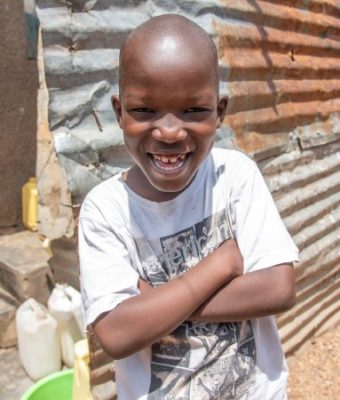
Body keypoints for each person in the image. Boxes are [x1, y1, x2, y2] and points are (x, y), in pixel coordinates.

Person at [78, 14, 299, 400]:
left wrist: (155, 303)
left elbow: (277, 288)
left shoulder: (234, 177)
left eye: (193, 110)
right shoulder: (105, 208)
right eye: (144, 111)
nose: (168, 132)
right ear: (119, 113)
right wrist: (222, 265)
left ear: (220, 111)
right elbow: (116, 333)